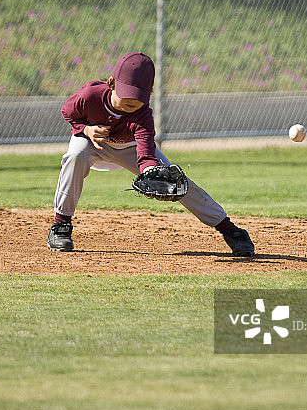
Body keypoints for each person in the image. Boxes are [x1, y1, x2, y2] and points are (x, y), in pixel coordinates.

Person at [47, 52, 255, 257]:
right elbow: (68, 112)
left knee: (179, 182)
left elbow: (145, 153)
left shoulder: (143, 114)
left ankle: (229, 229)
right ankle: (61, 225)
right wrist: (86, 129)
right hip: (93, 143)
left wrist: (152, 172)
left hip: (129, 148)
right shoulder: (90, 96)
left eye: (139, 96)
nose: (133, 101)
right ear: (111, 83)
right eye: (127, 93)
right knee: (75, 156)